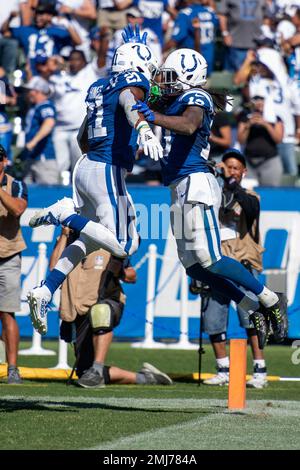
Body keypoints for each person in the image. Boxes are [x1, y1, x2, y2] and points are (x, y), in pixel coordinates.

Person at [132, 48, 287, 348]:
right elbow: (142, 93)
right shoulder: (172, 98)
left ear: (188, 78)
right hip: (177, 186)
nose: (164, 82)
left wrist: (155, 116)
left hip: (196, 183)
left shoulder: (196, 99)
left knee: (210, 257)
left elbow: (189, 125)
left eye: (170, 76)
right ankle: (249, 304)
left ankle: (269, 297)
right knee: (193, 265)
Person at [26, 38, 163, 337]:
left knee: (96, 241)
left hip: (86, 165)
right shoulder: (131, 83)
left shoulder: (98, 87)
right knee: (124, 245)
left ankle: (46, 290)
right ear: (137, 65)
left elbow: (81, 136)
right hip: (105, 170)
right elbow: (129, 100)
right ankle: (65, 213)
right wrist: (143, 129)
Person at [50, 227, 172, 388]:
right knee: (83, 371)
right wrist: (65, 235)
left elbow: (131, 275)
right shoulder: (68, 240)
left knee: (101, 312)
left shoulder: (110, 239)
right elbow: (53, 269)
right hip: (78, 309)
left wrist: (119, 271)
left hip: (108, 300)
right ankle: (146, 378)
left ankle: (98, 369)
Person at [199, 149, 268, 389]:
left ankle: (260, 369)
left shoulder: (251, 196)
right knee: (213, 319)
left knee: (251, 318)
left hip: (243, 265)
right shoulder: (212, 197)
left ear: (244, 172)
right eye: (228, 166)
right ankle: (223, 368)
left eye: (236, 168)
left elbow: (250, 210)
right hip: (217, 266)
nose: (231, 171)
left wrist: (231, 185)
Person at [0, 145, 28, 384]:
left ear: (5, 161)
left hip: (8, 255)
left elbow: (17, 210)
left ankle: (13, 368)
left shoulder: (16, 185)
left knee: (7, 312)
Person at [1, 2, 82, 76]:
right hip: (31, 73)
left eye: (42, 14)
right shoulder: (26, 30)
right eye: (37, 13)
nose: (38, 17)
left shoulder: (57, 32)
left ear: (50, 16)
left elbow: (78, 42)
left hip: (52, 74)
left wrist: (66, 24)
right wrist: (10, 18)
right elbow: (5, 32)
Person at [237, 87, 284, 186]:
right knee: (249, 193)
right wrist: (248, 125)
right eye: (256, 99)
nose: (259, 102)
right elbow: (241, 140)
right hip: (249, 161)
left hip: (269, 160)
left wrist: (266, 124)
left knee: (270, 193)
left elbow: (278, 139)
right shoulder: (246, 117)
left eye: (261, 100)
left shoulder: (275, 118)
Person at [164, 0, 219, 77]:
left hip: (189, 64)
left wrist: (161, 52)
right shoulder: (211, 12)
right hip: (208, 58)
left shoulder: (185, 13)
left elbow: (176, 39)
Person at [22, 76, 59, 184]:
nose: (28, 93)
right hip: (32, 158)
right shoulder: (35, 107)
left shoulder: (45, 106)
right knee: (26, 195)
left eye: (30, 91)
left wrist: (32, 143)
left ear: (37, 91)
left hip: (44, 158)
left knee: (48, 197)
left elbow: (49, 122)